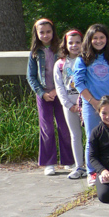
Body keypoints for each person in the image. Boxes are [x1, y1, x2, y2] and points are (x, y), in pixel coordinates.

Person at [73, 24, 109, 186]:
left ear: (107, 39)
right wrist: (94, 102)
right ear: (89, 39)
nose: (99, 41)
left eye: (102, 37)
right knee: (92, 138)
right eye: (95, 38)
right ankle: (92, 172)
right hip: (91, 104)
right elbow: (79, 82)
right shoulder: (83, 58)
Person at [27, 18, 74, 176]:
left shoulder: (61, 50)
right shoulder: (34, 53)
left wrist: (56, 91)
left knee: (64, 126)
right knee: (47, 128)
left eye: (48, 32)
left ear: (53, 32)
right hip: (43, 95)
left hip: (61, 94)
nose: (45, 35)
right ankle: (49, 163)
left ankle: (69, 160)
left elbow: (66, 72)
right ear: (37, 34)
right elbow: (31, 76)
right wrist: (42, 93)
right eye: (42, 32)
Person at [54, 29, 87, 179]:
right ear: (65, 45)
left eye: (78, 42)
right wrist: (68, 105)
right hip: (69, 105)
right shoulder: (60, 64)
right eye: (71, 43)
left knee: (91, 135)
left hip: (86, 102)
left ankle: (93, 166)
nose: (74, 45)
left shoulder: (88, 60)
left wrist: (84, 101)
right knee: (75, 135)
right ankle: (79, 166)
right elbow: (59, 86)